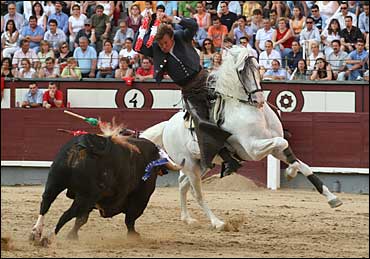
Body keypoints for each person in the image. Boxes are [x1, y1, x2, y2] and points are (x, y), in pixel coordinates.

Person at [136, 14, 241, 175]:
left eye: (165, 42)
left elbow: (192, 25)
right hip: (189, 91)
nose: (163, 46)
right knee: (201, 123)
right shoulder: (156, 49)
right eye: (160, 44)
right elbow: (139, 46)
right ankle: (227, 159)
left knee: (232, 100)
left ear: (171, 37)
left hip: (206, 80)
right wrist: (147, 25)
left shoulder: (180, 36)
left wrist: (173, 19)